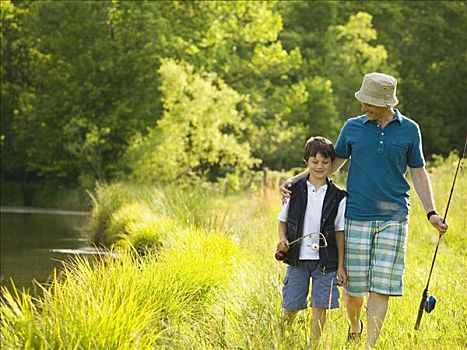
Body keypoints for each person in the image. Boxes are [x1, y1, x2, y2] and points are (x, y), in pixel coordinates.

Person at [280, 72, 448, 348]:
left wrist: (431, 213)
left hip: (394, 216)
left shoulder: (409, 129)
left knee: (382, 284)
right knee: (354, 288)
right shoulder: (353, 127)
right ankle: (355, 325)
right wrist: (296, 181)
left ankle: (371, 344)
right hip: (355, 214)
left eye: (369, 102)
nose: (363, 107)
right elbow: (330, 165)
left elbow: (418, 171)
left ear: (385, 102)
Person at [276, 136, 347, 344]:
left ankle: (313, 344)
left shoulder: (338, 196)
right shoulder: (294, 191)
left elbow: (340, 233)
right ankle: (285, 341)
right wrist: (282, 239)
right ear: (306, 161)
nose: (320, 166)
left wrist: (341, 266)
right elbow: (282, 221)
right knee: (291, 303)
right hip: (297, 259)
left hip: (326, 262)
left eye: (325, 162)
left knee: (320, 306)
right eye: (314, 162)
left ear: (332, 163)